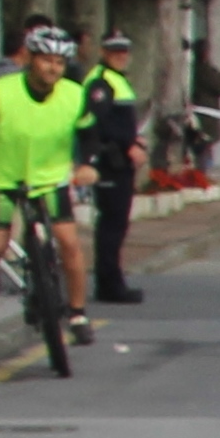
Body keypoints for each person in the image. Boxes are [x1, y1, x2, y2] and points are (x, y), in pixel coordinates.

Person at [0, 24, 98, 343]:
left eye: (59, 62)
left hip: (49, 177)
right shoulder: (0, 92)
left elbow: (90, 133)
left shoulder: (73, 95)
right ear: (29, 58)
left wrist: (86, 165)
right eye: (46, 60)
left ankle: (78, 313)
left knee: (69, 241)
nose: (53, 68)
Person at [82, 31, 147, 302]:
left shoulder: (116, 80)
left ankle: (112, 280)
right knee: (111, 223)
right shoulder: (100, 82)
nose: (121, 56)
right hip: (110, 161)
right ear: (103, 52)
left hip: (120, 160)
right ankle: (109, 285)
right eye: (115, 51)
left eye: (124, 51)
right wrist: (126, 144)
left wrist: (134, 139)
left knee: (117, 223)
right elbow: (99, 123)